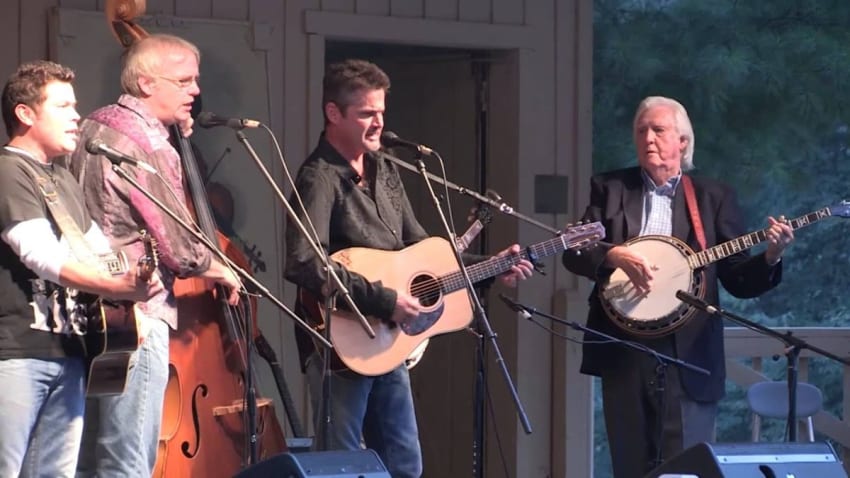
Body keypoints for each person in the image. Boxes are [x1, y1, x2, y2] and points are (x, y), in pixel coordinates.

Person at [284, 59, 533, 477]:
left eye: (381, 112)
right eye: (366, 113)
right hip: (340, 342)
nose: (379, 123)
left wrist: (489, 267)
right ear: (333, 114)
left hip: (388, 341)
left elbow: (421, 254)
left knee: (404, 464)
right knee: (342, 465)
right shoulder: (318, 178)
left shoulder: (385, 169)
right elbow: (305, 262)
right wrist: (386, 301)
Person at [562, 95, 795, 478]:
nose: (648, 139)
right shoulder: (611, 188)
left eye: (658, 130)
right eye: (641, 131)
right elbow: (574, 251)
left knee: (686, 468)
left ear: (682, 141)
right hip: (624, 346)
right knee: (630, 464)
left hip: (689, 349)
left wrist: (771, 255)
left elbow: (737, 277)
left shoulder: (712, 196)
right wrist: (612, 256)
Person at [69, 34, 241, 477]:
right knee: (128, 458)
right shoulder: (149, 143)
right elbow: (180, 247)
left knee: (88, 457)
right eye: (183, 81)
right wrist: (219, 267)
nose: (196, 91)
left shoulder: (91, 125)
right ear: (147, 83)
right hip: (138, 314)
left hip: (86, 310)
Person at [0, 60, 163, 478]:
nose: (77, 116)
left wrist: (134, 280)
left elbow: (97, 249)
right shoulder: (8, 171)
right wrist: (118, 285)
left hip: (69, 353)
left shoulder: (64, 180)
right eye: (63, 106)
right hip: (16, 352)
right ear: (25, 113)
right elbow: (39, 255)